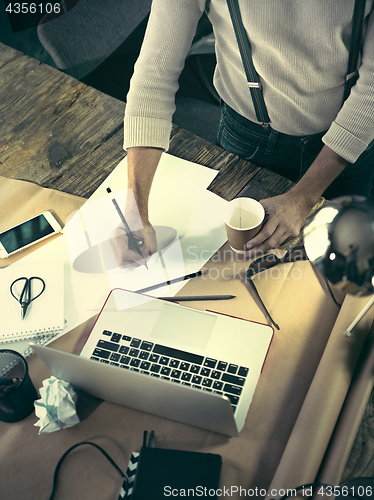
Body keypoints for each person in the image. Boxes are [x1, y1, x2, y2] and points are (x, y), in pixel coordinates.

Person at [112, 0, 374, 267]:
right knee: (228, 267)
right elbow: (154, 75)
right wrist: (134, 210)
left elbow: (372, 90)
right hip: (248, 137)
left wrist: (305, 196)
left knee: (344, 268)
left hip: (347, 146)